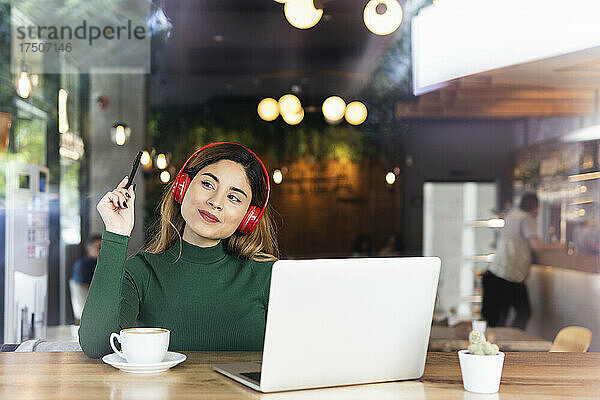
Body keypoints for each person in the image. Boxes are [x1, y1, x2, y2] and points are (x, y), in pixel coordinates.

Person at [79, 142, 279, 359]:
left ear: (249, 217)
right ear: (182, 187)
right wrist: (116, 234)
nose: (215, 202)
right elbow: (97, 345)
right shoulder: (142, 271)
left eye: (233, 197)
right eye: (208, 184)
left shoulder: (269, 276)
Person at [482, 192, 563, 330]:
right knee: (523, 313)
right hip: (510, 275)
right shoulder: (526, 218)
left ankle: (504, 347)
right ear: (535, 207)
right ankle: (514, 348)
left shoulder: (511, 215)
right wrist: (557, 247)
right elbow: (536, 246)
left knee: (499, 319)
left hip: (495, 273)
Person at [69, 234, 102, 323]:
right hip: (89, 312)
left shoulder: (96, 264)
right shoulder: (85, 266)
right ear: (89, 249)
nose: (102, 251)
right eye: (99, 247)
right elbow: (84, 290)